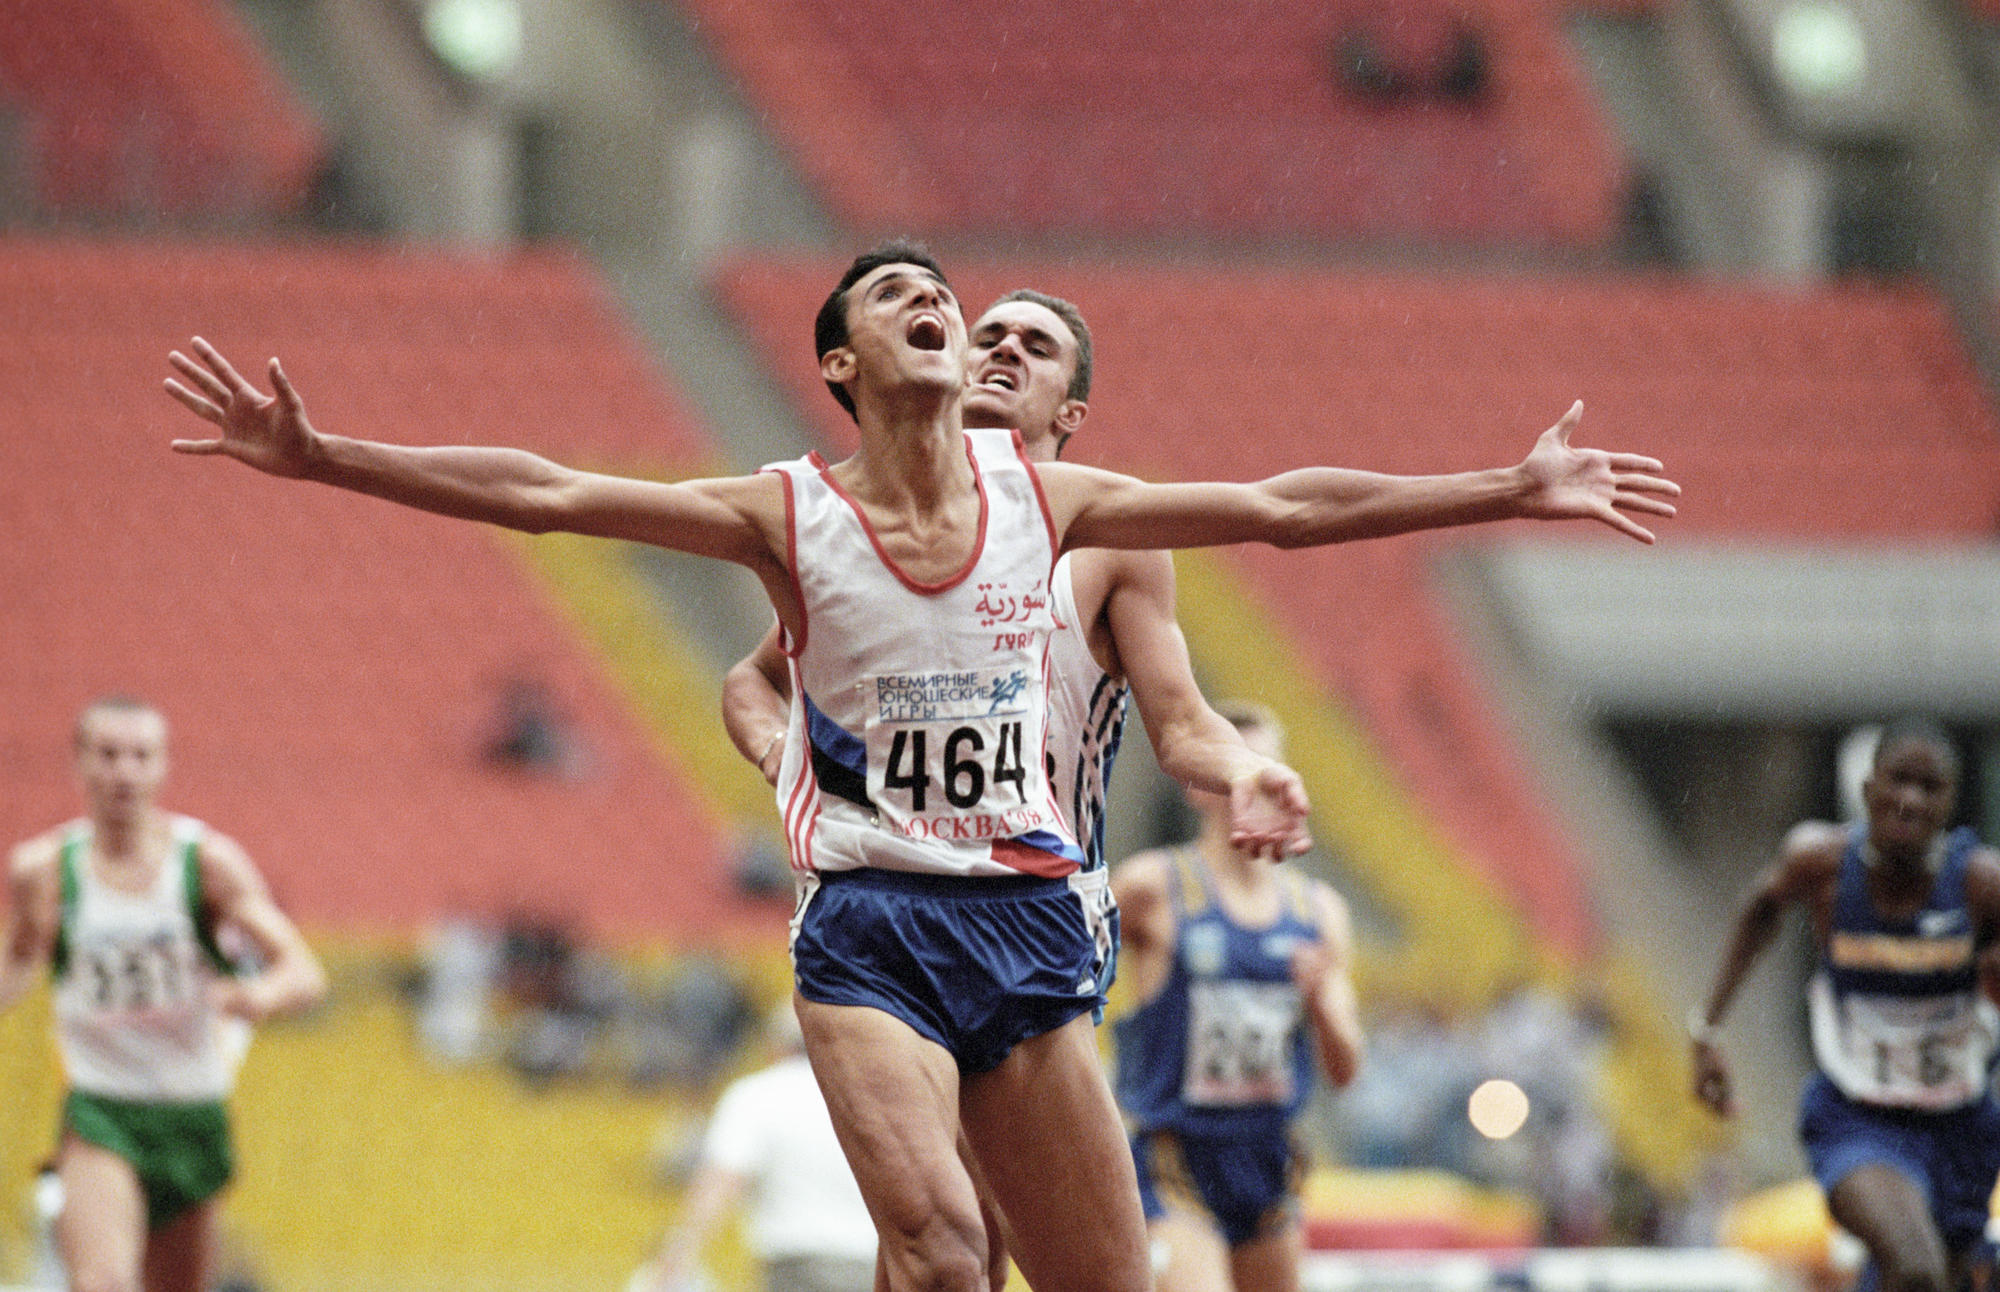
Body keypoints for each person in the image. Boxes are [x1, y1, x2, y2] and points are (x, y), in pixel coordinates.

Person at [163, 240, 1678, 1291]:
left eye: (957, 302)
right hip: (875, 929)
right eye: (905, 296)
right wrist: (328, 454)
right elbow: (557, 495)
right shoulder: (790, 514)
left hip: (1034, 922)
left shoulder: (1070, 504)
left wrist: (1510, 485)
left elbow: (1282, 508)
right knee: (949, 1251)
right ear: (841, 358)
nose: (950, 311)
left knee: (1091, 1275)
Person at [0, 696, 327, 1292]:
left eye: (140, 756)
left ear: (162, 767)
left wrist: (256, 996)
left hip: (191, 1111)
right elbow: (17, 965)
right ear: (79, 766)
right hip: (101, 1109)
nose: (123, 772)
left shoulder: (207, 866)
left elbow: (302, 973)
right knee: (103, 1283)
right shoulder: (43, 871)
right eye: (107, 755)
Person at [1690, 717, 2000, 1292]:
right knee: (1915, 1268)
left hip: (1961, 1126)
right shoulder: (1822, 865)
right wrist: (1706, 1031)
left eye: (1929, 788)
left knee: (1945, 1278)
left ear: (1951, 802)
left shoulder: (1981, 886)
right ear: (1867, 790)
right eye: (1898, 782)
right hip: (1858, 1117)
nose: (1910, 802)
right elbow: (1761, 909)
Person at [1111, 701, 1362, 1292]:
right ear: (1200, 788)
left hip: (1269, 1162)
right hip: (1176, 1159)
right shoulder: (1152, 887)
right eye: (1238, 772)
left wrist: (1322, 1001)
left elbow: (1346, 1067)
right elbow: (1061, 973)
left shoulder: (1319, 911)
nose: (1255, 787)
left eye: (1268, 769)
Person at [629, 1004, 877, 1292]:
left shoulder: (755, 1096)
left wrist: (679, 1253)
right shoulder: (867, 1097)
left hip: (798, 1266)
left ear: (777, 1046)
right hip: (873, 1264)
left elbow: (721, 1182)